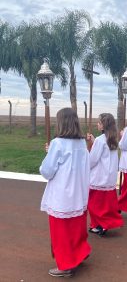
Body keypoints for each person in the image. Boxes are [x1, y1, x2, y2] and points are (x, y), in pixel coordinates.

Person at [40, 108, 91, 278]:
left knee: (60, 232)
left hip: (62, 195)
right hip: (78, 193)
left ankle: (66, 264)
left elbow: (47, 171)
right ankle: (78, 254)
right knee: (76, 229)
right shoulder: (82, 143)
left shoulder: (58, 143)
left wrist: (48, 155)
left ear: (61, 123)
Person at [87, 113, 123, 236]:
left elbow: (92, 159)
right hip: (109, 178)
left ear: (103, 126)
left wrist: (86, 165)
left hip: (98, 177)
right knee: (105, 205)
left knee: (94, 204)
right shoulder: (112, 139)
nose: (97, 124)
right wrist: (93, 141)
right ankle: (97, 225)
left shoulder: (100, 140)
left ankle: (102, 224)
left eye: (99, 122)